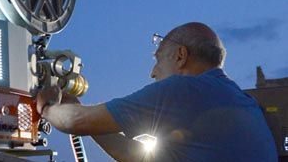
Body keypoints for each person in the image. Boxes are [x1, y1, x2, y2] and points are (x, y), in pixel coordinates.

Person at [36, 22, 277, 161]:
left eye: (158, 59)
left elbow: (74, 122)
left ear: (180, 56)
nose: (153, 72)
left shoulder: (183, 90)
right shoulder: (243, 102)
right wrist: (81, 112)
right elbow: (133, 155)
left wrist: (48, 107)